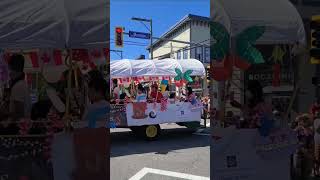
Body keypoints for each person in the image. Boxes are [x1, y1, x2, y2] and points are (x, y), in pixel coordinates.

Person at [0, 54, 31, 134]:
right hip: (21, 126)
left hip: (17, 128)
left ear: (14, 69)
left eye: (9, 68)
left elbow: (19, 114)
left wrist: (4, 114)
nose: (8, 72)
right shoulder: (21, 84)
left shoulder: (18, 86)